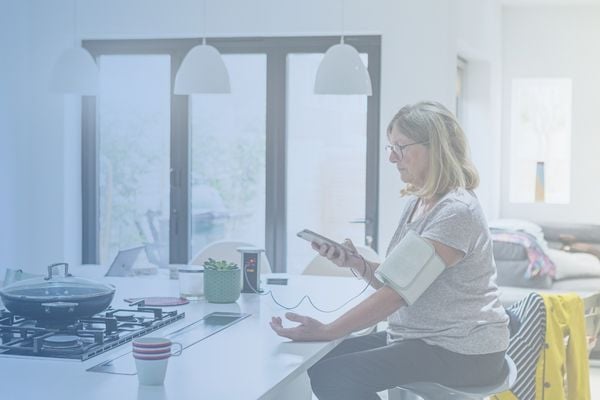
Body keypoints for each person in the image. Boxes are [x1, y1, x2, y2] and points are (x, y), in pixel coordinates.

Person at [270, 101, 510, 400]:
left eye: (400, 146)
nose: (392, 157)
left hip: (462, 350)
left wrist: (330, 329)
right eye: (390, 147)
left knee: (333, 376)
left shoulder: (456, 211)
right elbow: (396, 280)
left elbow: (397, 293)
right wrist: (356, 263)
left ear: (434, 148)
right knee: (320, 359)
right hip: (424, 339)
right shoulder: (419, 203)